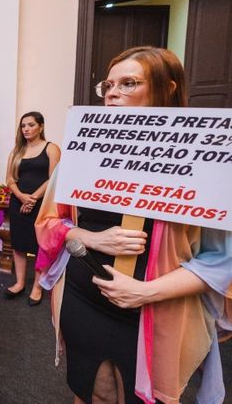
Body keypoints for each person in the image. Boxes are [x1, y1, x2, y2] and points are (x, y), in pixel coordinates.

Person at [35, 47, 232, 404]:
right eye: (108, 84)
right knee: (92, 388)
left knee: (140, 396)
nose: (112, 92)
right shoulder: (82, 151)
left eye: (129, 83)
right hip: (83, 294)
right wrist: (91, 236)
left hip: (158, 306)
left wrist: (145, 292)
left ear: (167, 89)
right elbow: (50, 223)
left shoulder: (207, 160)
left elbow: (222, 261)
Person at [4, 112, 60, 305]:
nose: (26, 129)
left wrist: (33, 198)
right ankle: (19, 283)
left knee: (39, 246)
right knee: (18, 244)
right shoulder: (17, 151)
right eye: (23, 126)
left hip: (41, 204)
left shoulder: (51, 148)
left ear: (41, 127)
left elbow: (54, 178)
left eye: (30, 125)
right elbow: (10, 180)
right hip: (18, 203)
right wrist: (21, 197)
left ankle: (37, 286)